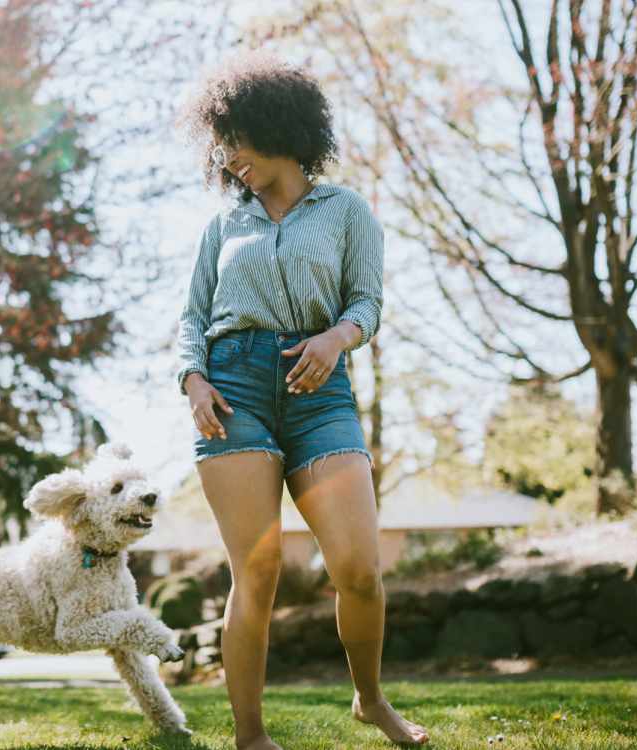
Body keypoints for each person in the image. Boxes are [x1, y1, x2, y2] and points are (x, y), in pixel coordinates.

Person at [173, 53, 430, 749]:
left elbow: (367, 302)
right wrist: (194, 379)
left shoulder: (346, 210)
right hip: (233, 390)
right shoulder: (224, 226)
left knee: (358, 570)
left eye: (236, 141)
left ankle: (370, 698)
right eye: (221, 148)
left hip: (321, 395)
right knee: (256, 569)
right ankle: (250, 737)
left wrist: (336, 339)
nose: (229, 159)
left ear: (275, 125)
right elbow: (193, 317)